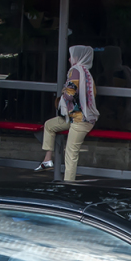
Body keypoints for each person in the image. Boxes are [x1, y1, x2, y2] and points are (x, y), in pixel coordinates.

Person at [36, 45, 98, 181]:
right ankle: (47, 159)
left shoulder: (75, 70)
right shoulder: (87, 73)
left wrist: (64, 93)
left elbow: (70, 94)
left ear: (77, 57)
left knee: (71, 155)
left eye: (71, 56)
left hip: (80, 120)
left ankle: (68, 187)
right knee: (49, 125)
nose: (69, 59)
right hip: (74, 118)